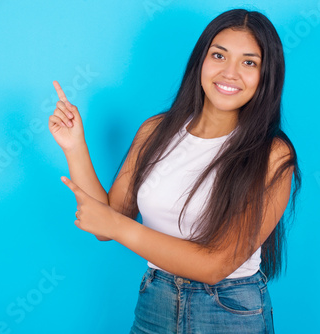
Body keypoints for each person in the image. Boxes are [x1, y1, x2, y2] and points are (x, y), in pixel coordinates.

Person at [49, 8, 301, 334]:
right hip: (156, 299)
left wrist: (119, 227)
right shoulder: (155, 131)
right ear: (201, 61)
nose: (230, 72)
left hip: (229, 310)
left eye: (249, 62)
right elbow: (107, 221)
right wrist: (74, 146)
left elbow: (215, 265)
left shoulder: (272, 155)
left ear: (267, 75)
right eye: (219, 55)